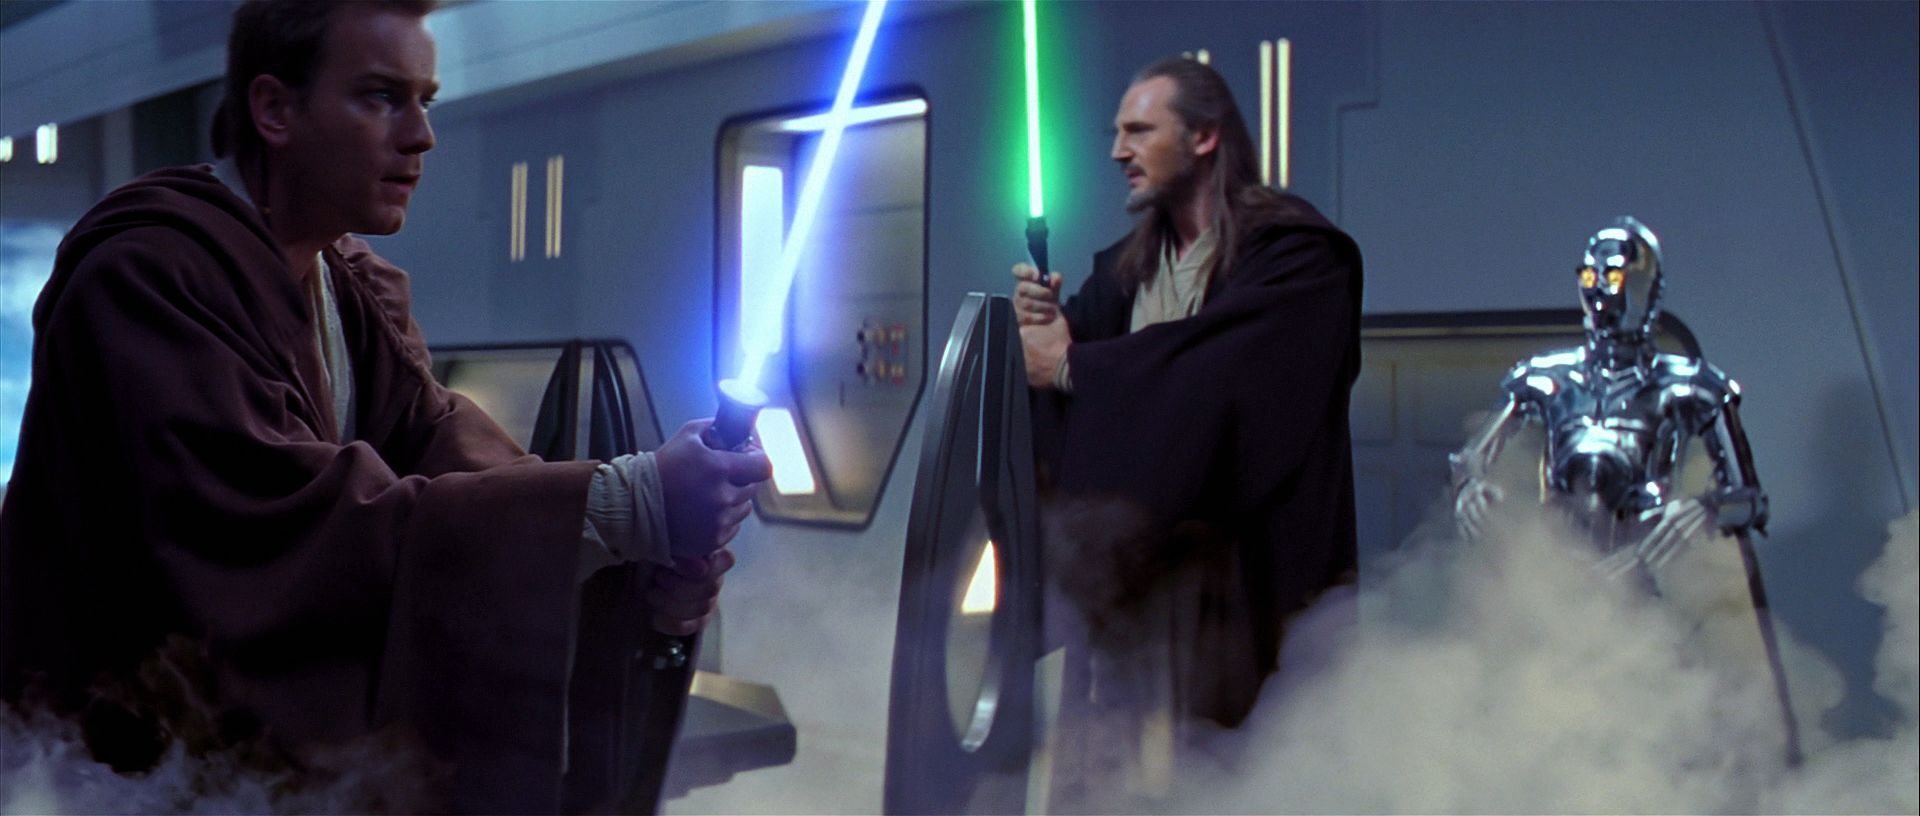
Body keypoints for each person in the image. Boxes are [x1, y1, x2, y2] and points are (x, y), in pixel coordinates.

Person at [0, 0, 769, 810]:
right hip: (126, 776)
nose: (421, 136)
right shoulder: (146, 281)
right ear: (274, 108)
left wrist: (633, 554)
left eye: (425, 100)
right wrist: (622, 505)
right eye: (379, 97)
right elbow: (282, 531)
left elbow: (449, 450)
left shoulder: (351, 290)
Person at [1012, 56, 1362, 803]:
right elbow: (1071, 409)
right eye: (1116, 133)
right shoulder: (1125, 273)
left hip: (1243, 602)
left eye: (1140, 130)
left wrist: (1075, 365)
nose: (1118, 151)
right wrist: (1047, 337)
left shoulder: (1300, 259)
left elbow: (1219, 377)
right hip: (1132, 602)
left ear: (1204, 137)